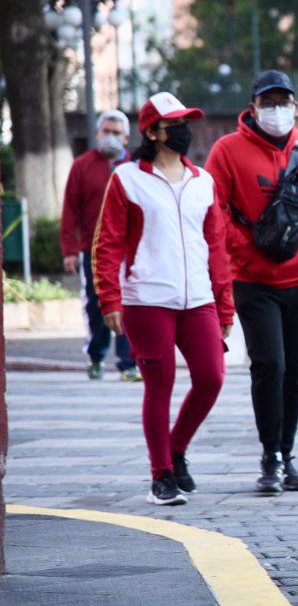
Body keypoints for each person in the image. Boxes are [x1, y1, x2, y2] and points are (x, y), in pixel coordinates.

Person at [206, 70, 298, 495]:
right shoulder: (226, 150)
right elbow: (213, 213)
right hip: (252, 279)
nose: (276, 110)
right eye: (267, 102)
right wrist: (243, 246)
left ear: (296, 107)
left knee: (295, 373)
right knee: (268, 365)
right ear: (252, 108)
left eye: (283, 102)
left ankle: (286, 454)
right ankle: (269, 453)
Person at [93, 92, 235, 507]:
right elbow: (109, 244)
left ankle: (175, 449)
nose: (184, 131)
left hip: (199, 300)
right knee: (161, 385)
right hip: (146, 299)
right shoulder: (127, 179)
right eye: (174, 124)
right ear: (152, 131)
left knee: (212, 378)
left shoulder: (202, 181)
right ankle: (161, 476)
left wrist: (224, 305)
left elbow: (217, 249)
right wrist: (110, 299)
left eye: (186, 123)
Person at [61, 110, 139, 381]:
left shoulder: (134, 167)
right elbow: (70, 210)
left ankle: (128, 363)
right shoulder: (82, 166)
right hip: (92, 251)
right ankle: (96, 356)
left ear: (127, 138)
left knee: (128, 301)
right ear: (96, 134)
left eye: (116, 133)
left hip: (129, 251)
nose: (110, 137)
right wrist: (69, 250)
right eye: (106, 131)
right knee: (96, 304)